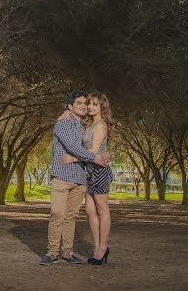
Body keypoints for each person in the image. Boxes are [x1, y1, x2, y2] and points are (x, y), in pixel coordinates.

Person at [40, 90, 111, 266]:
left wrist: (104, 154)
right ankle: (52, 252)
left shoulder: (86, 125)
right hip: (64, 174)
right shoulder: (64, 123)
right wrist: (94, 157)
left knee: (74, 215)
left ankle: (71, 252)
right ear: (70, 106)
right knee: (58, 213)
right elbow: (73, 146)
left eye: (86, 103)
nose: (85, 106)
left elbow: (96, 146)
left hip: (82, 175)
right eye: (80, 103)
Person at [59, 91, 113, 265]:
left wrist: (73, 158)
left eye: (94, 104)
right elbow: (73, 115)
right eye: (89, 103)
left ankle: (103, 248)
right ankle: (97, 247)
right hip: (88, 171)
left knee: (102, 210)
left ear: (101, 107)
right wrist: (67, 111)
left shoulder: (101, 125)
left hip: (99, 171)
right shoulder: (89, 124)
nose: (89, 106)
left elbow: (92, 152)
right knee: (90, 210)